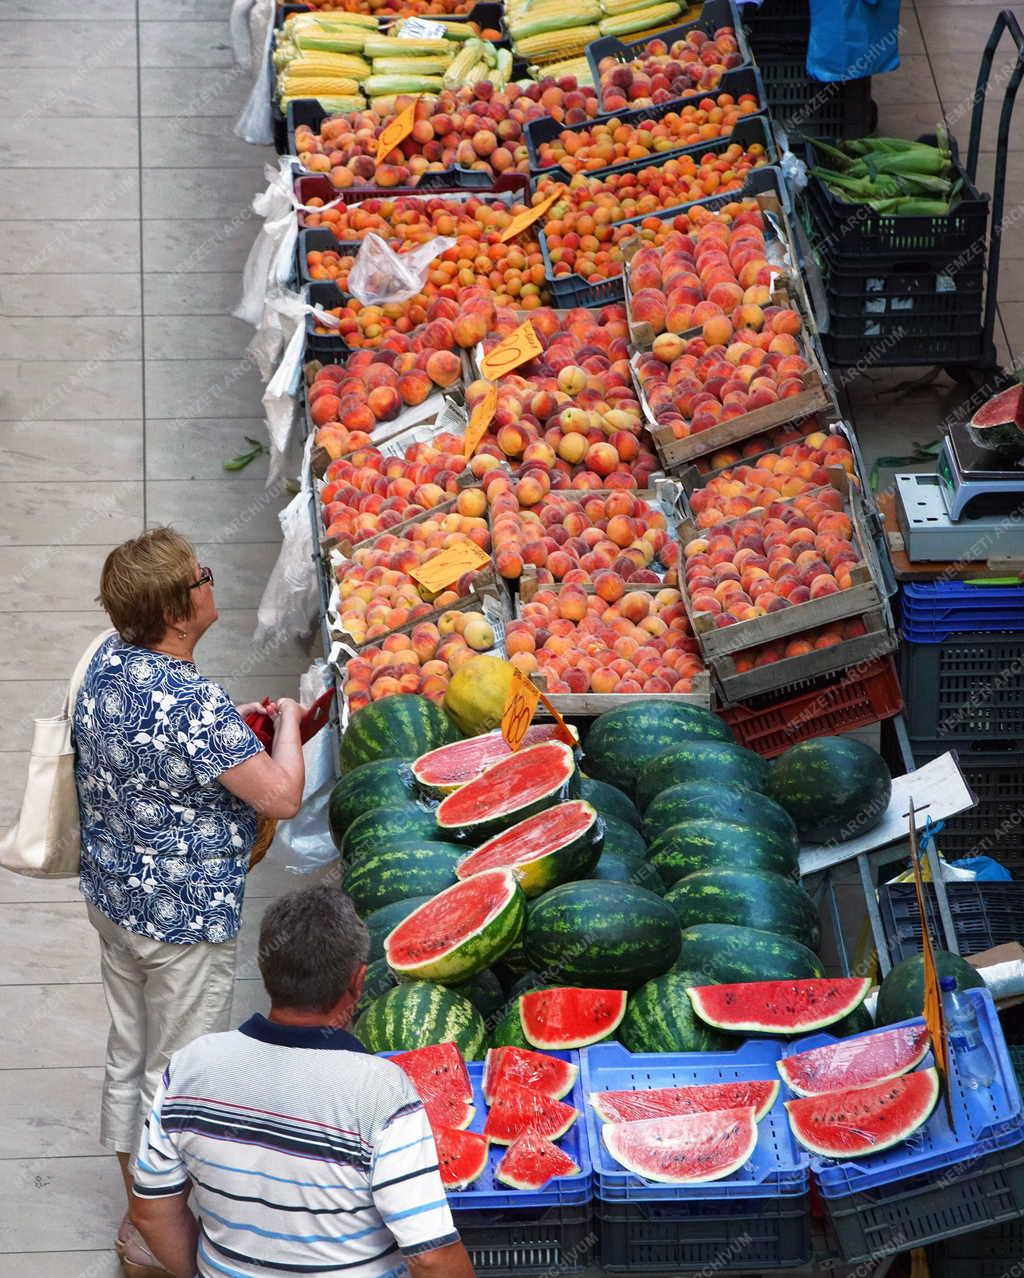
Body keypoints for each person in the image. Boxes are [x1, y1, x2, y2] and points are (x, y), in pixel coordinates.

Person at [73, 527, 306, 1272]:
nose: (211, 582)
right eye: (200, 576)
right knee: (177, 1074)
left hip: (114, 897)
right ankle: (154, 1232)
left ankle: (135, 1208)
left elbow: (167, 735)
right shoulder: (192, 705)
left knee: (129, 1053)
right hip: (181, 919)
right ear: (178, 611)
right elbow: (284, 794)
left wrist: (230, 723)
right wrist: (292, 723)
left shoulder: (107, 661)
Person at [129, 884, 477, 1278]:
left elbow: (151, 1213)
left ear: (265, 972)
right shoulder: (383, 1092)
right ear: (358, 982)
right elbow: (431, 1256)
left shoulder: (190, 1065)